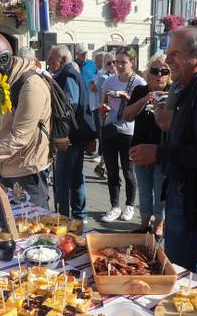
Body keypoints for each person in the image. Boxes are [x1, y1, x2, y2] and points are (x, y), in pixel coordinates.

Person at [130, 27, 197, 276]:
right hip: (187, 190)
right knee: (189, 259)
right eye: (168, 53)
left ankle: (183, 308)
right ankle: (192, 301)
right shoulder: (192, 85)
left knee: (179, 266)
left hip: (194, 196)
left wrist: (159, 153)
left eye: (175, 54)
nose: (167, 61)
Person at [0, 31, 52, 209]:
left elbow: (20, 136)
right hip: (5, 168)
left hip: (27, 172)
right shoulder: (1, 82)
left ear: (2, 61)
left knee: (32, 229)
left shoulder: (31, 86)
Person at [123, 53, 171, 237]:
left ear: (169, 74)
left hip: (162, 150)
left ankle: (159, 225)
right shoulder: (140, 91)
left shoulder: (174, 92)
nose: (159, 74)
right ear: (148, 74)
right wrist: (145, 100)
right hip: (139, 149)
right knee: (144, 190)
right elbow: (127, 115)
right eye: (155, 70)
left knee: (160, 191)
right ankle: (144, 224)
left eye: (164, 71)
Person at [99, 47, 142, 222]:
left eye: (123, 62)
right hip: (110, 128)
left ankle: (130, 205)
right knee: (111, 170)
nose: (119, 66)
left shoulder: (139, 82)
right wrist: (104, 109)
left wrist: (127, 99)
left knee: (128, 170)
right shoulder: (110, 81)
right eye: (117, 62)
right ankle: (115, 206)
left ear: (132, 63)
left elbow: (142, 109)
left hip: (129, 131)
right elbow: (102, 104)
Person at [48, 44, 91, 220]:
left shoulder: (68, 75)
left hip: (68, 136)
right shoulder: (67, 73)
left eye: (52, 59)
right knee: (74, 176)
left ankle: (64, 216)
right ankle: (79, 215)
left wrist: (59, 131)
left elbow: (69, 105)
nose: (48, 62)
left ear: (64, 60)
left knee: (64, 178)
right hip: (74, 134)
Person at [92, 51, 116, 179]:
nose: (112, 64)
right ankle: (103, 166)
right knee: (107, 140)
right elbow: (100, 98)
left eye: (114, 62)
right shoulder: (103, 77)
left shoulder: (120, 77)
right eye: (109, 63)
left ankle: (103, 165)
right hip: (105, 113)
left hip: (118, 114)